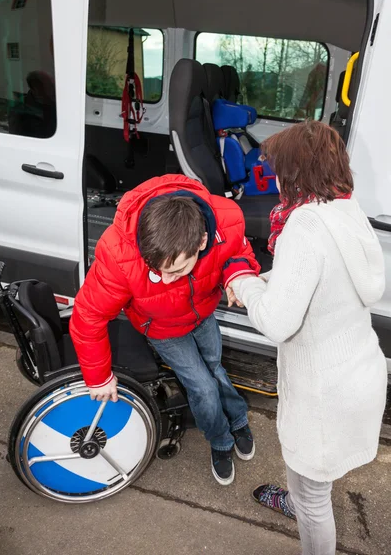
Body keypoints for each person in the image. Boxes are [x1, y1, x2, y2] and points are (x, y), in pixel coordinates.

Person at [228, 121, 387, 554]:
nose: (273, 179)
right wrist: (261, 280)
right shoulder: (344, 210)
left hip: (325, 394)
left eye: (278, 169)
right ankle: (299, 501)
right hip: (359, 376)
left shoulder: (303, 225)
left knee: (315, 499)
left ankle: (305, 511)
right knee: (315, 479)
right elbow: (315, 275)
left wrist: (243, 283)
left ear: (295, 172)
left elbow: (278, 322)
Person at [70, 174, 260, 485]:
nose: (168, 279)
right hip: (162, 327)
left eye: (178, 269)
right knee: (202, 386)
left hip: (203, 314)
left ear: (202, 240)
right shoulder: (119, 253)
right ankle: (221, 441)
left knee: (215, 369)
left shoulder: (227, 220)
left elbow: (238, 254)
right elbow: (87, 316)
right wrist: (99, 378)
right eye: (158, 270)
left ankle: (238, 419)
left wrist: (237, 275)